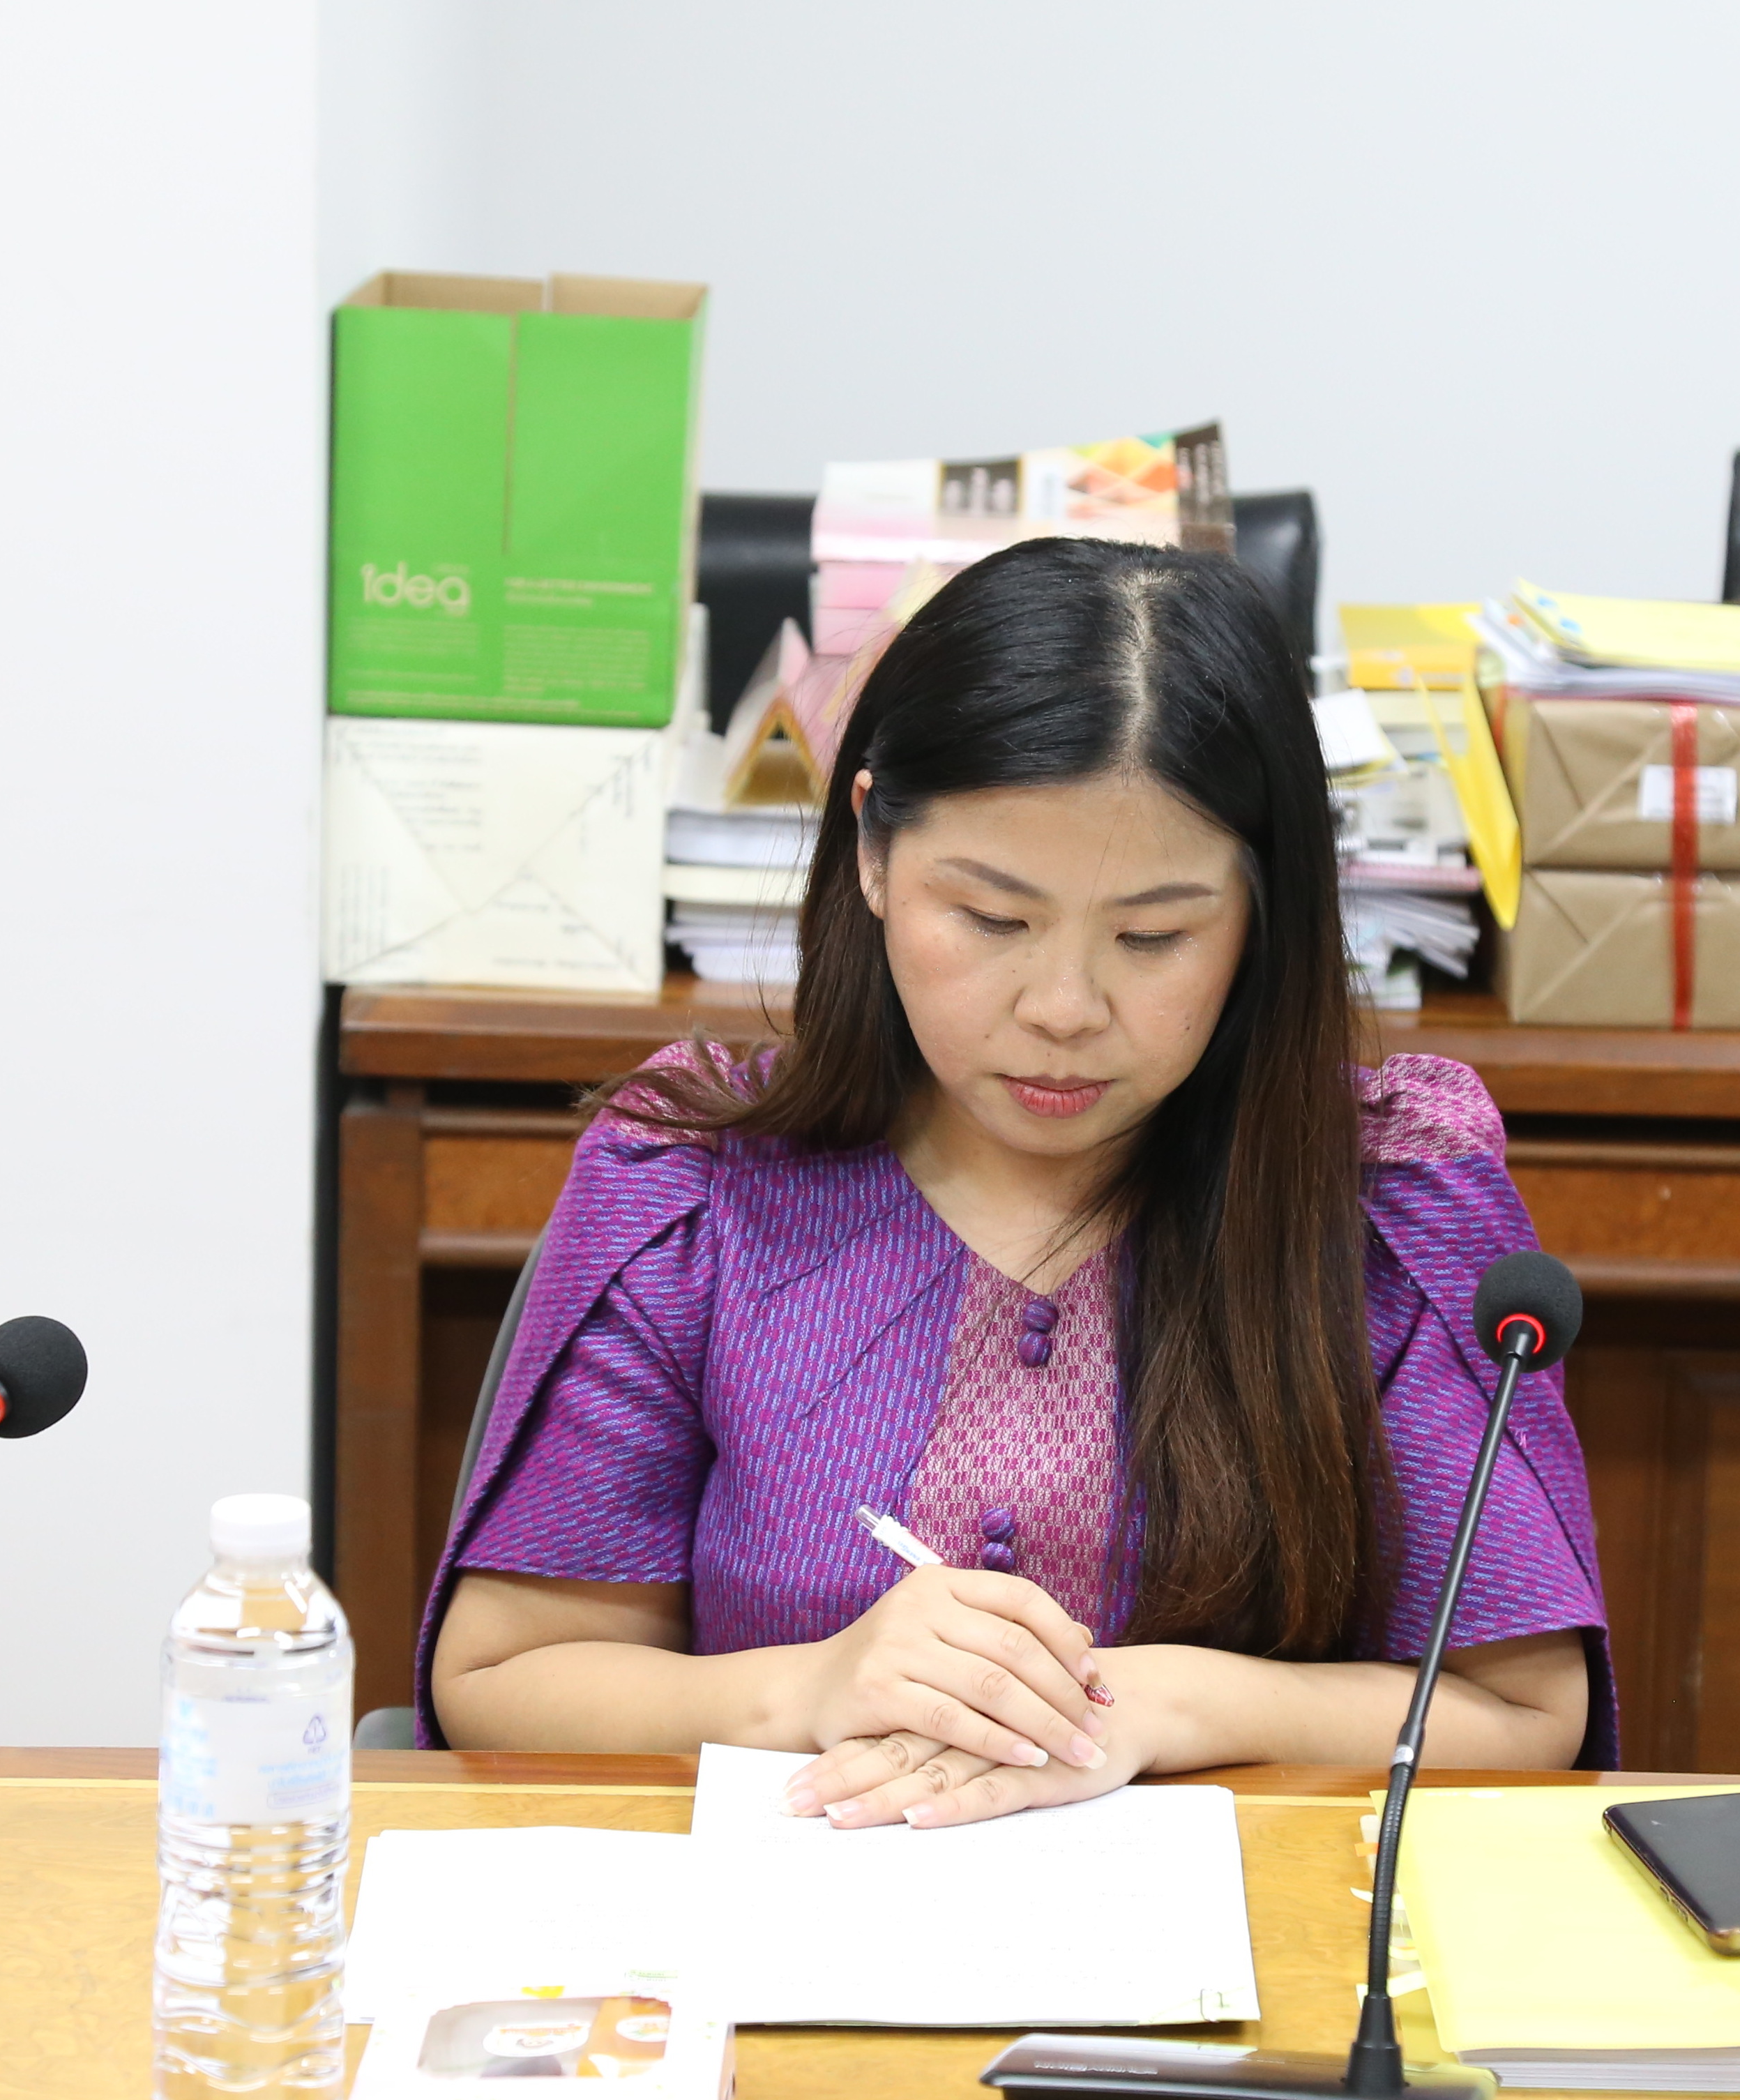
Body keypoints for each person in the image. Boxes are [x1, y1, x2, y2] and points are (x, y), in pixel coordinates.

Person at [423, 536, 1610, 1825]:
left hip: (1251, 1932)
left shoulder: (1384, 1207)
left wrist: (1163, 1706)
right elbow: (504, 1677)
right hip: (801, 1915)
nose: (1062, 1009)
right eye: (991, 919)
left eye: (1154, 936)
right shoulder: (697, 1189)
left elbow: (1520, 1714)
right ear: (874, 852)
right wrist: (807, 1689)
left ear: (1262, 914)